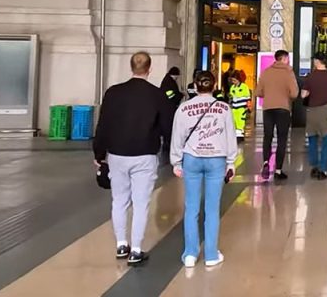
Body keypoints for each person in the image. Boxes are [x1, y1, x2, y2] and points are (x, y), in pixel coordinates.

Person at [93, 51, 172, 266]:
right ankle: (136, 249)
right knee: (141, 203)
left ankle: (121, 244)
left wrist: (99, 154)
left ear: (131, 67)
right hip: (145, 154)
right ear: (149, 68)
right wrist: (173, 152)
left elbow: (103, 125)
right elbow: (167, 126)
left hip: (117, 154)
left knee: (119, 201)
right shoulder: (157, 95)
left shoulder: (113, 93)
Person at [170, 71, 238, 267]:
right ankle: (210, 254)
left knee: (191, 207)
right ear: (214, 85)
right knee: (212, 208)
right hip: (216, 158)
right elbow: (230, 137)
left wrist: (176, 162)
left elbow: (177, 137)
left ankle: (190, 254)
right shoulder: (224, 108)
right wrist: (231, 162)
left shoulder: (184, 108)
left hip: (192, 158)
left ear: (195, 85)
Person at [255, 50, 299, 181]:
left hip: (268, 108)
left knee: (267, 136)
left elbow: (258, 92)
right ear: (284, 58)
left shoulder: (266, 72)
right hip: (283, 109)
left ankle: (265, 162)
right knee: (282, 139)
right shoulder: (288, 72)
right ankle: (278, 170)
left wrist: (269, 94)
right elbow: (294, 93)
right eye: (288, 59)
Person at [228, 71, 251, 140]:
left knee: (240, 121)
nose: (233, 82)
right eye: (232, 80)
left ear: (238, 79)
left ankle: (240, 135)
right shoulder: (232, 87)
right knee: (234, 120)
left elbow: (248, 98)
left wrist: (248, 107)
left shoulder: (244, 87)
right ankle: (237, 134)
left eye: (235, 80)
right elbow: (231, 97)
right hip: (234, 108)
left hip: (242, 108)